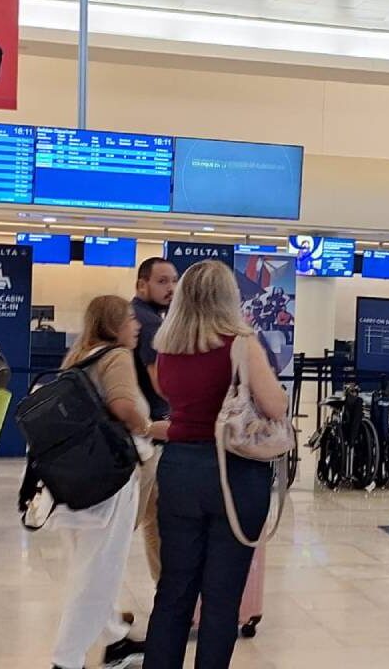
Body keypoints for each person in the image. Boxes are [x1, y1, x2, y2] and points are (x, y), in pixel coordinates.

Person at [147, 260, 288, 669]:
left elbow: (175, 402)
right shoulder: (240, 343)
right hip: (234, 474)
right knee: (221, 599)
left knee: (174, 591)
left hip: (178, 469)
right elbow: (274, 405)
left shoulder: (167, 347)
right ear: (229, 297)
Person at [48, 296, 170, 669]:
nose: (137, 325)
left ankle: (115, 640)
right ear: (114, 324)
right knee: (98, 572)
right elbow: (122, 405)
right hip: (108, 481)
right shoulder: (116, 356)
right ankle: (67, 659)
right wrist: (148, 427)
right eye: (130, 319)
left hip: (74, 480)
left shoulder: (79, 357)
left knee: (88, 563)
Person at [131, 256, 179, 582]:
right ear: (141, 285)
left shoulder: (136, 316)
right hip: (147, 437)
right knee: (137, 520)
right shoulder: (149, 323)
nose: (170, 288)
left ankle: (165, 590)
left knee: (155, 518)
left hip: (140, 434)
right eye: (162, 281)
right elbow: (161, 383)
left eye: (173, 281)